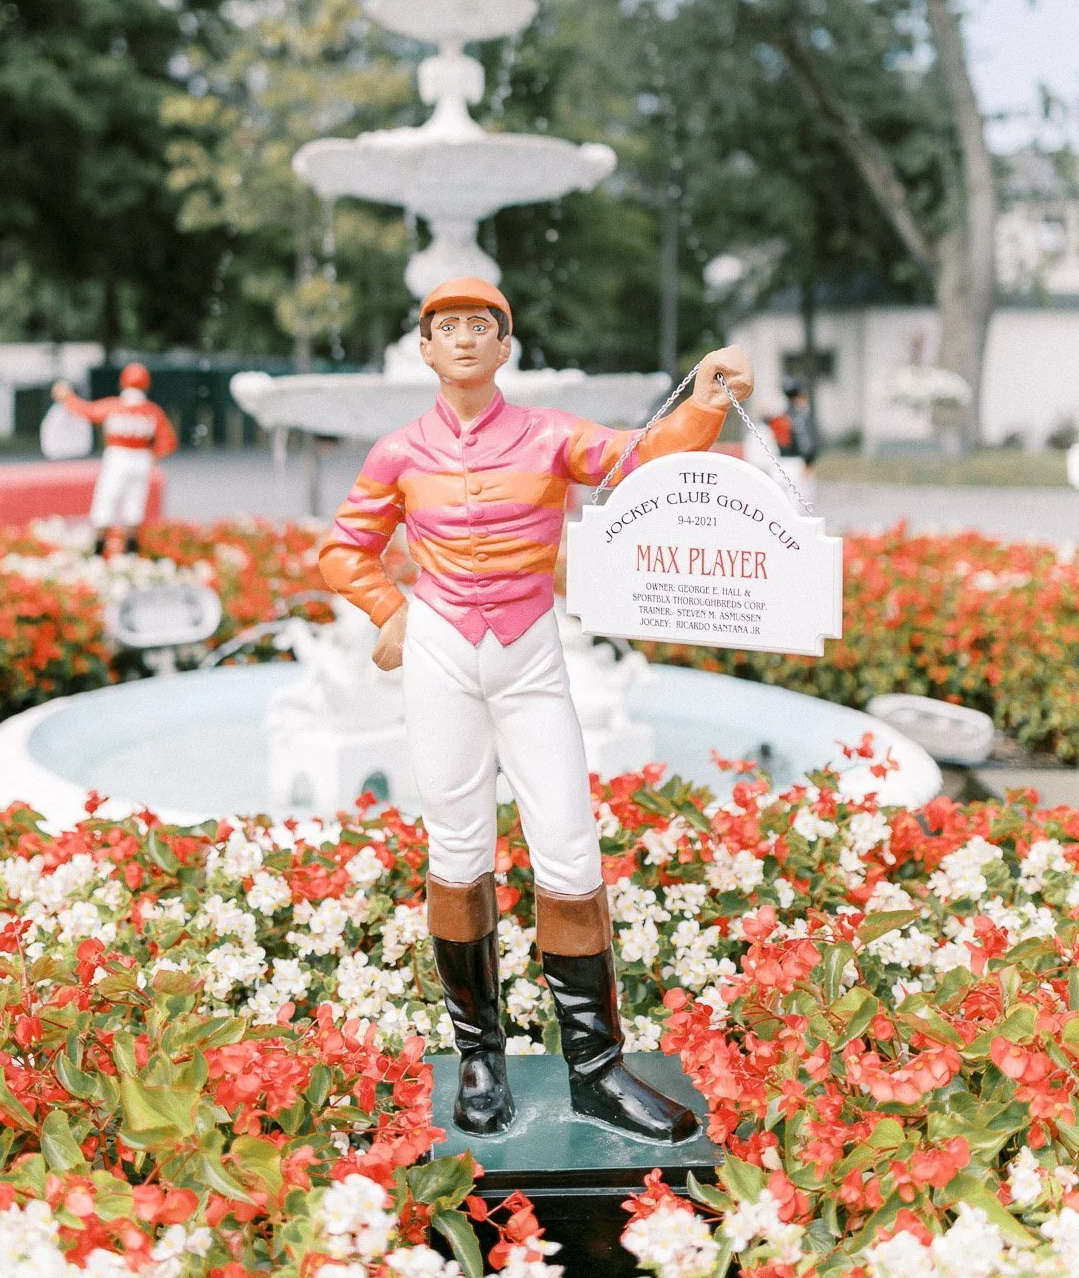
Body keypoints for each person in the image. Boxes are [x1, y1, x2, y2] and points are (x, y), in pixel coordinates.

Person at [319, 277, 753, 1142]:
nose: (465, 338)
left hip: (529, 652)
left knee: (569, 846)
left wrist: (704, 404)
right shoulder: (398, 452)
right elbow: (343, 548)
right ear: (425, 349)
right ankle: (480, 1061)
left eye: (481, 325)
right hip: (441, 654)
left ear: (505, 345)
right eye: (448, 327)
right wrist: (390, 610)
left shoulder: (549, 434)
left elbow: (636, 459)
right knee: (456, 849)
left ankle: (596, 1070)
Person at [51, 363, 177, 555]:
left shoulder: (114, 406)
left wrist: (67, 397)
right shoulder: (152, 411)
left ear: (123, 383)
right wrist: (153, 455)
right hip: (141, 457)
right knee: (135, 503)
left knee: (106, 500)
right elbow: (168, 441)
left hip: (117, 457)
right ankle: (132, 549)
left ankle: (99, 549)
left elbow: (88, 411)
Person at [761, 377, 819, 504]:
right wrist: (809, 462)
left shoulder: (777, 417)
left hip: (779, 465)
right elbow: (806, 444)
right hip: (798, 465)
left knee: (780, 505)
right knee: (799, 507)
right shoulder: (801, 418)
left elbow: (765, 423)